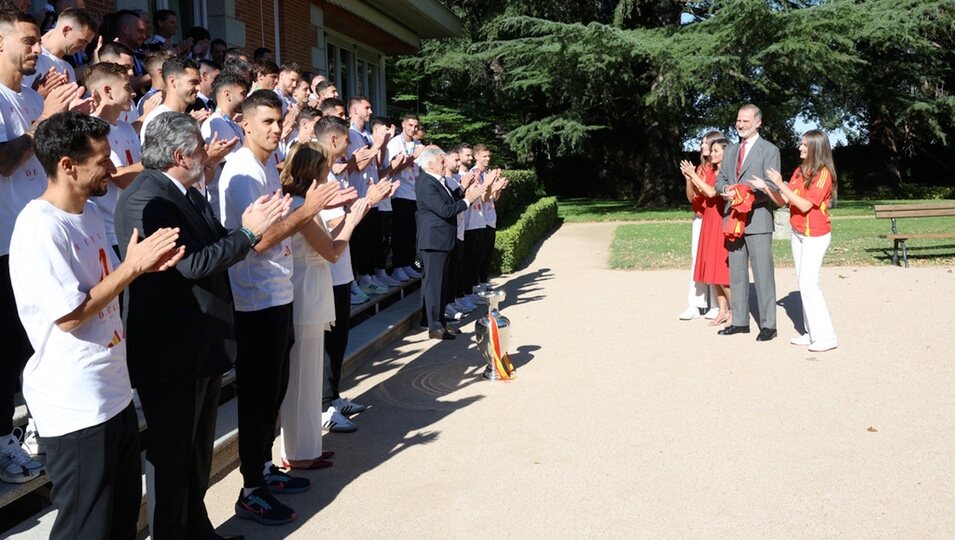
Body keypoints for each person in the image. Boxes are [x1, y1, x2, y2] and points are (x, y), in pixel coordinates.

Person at [10, 111, 184, 540]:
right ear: (68, 166)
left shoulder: (86, 213)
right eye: (102, 159)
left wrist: (141, 269)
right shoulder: (39, 227)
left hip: (112, 393)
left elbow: (102, 287)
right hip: (76, 406)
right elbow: (69, 315)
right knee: (87, 529)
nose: (112, 166)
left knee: (122, 520)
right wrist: (132, 268)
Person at [116, 111, 288, 539]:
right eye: (199, 148)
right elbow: (194, 264)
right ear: (178, 155)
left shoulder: (187, 191)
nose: (206, 154)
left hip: (199, 343)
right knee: (172, 459)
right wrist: (248, 235)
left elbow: (214, 242)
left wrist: (247, 225)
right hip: (170, 351)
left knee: (194, 455)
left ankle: (199, 530)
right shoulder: (146, 199)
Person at [218, 89, 344, 525]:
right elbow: (261, 239)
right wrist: (308, 211)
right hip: (255, 299)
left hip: (278, 292)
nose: (275, 129)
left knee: (272, 392)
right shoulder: (239, 172)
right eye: (266, 122)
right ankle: (251, 489)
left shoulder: (265, 168)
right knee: (257, 398)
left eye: (278, 121)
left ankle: (265, 469)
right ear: (244, 123)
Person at [0, 9, 82, 484]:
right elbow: (5, 163)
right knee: (8, 351)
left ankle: (38, 426)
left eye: (37, 40)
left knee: (39, 344)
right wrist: (42, 125)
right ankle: (5, 443)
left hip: (46, 237)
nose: (38, 48)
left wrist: (73, 121)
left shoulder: (34, 97)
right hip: (4, 242)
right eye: (29, 41)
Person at [278, 141, 367, 467]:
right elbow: (331, 250)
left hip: (312, 288)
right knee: (301, 375)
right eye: (326, 169)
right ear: (314, 172)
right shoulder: (300, 205)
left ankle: (307, 447)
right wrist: (353, 219)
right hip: (304, 291)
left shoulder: (302, 204)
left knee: (310, 372)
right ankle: (296, 452)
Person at [313, 116, 394, 432]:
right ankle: (323, 408)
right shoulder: (321, 176)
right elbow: (334, 226)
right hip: (327, 271)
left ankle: (333, 397)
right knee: (327, 343)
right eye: (347, 140)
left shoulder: (334, 174)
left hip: (340, 270)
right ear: (333, 141)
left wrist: (363, 203)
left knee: (338, 341)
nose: (350, 146)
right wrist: (365, 205)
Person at [750, 130, 838, 352]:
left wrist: (781, 184)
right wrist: (767, 188)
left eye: (805, 145)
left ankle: (826, 337)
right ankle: (811, 333)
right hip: (798, 233)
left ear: (816, 149)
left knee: (809, 285)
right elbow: (784, 201)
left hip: (815, 235)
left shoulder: (824, 173)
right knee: (804, 283)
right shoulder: (800, 171)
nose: (800, 148)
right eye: (801, 144)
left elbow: (806, 205)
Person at [714, 104, 781, 341]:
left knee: (763, 273)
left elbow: (772, 187)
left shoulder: (770, 150)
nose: (740, 125)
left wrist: (745, 195)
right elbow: (719, 180)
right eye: (738, 121)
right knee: (737, 273)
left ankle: (768, 325)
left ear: (758, 123)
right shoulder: (730, 150)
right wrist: (725, 190)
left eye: (746, 121)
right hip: (733, 219)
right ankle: (740, 321)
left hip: (758, 220)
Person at [416, 147, 485, 340]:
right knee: (434, 284)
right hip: (433, 241)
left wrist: (464, 190)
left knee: (443, 284)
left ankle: (441, 323)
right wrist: (468, 200)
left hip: (443, 240)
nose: (444, 164)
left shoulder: (440, 181)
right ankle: (433, 325)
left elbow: (450, 200)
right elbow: (444, 210)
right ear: (430, 164)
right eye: (441, 161)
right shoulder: (426, 182)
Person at [87, 62, 143, 255]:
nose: (133, 93)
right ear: (107, 91)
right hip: (110, 232)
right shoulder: (92, 129)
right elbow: (120, 178)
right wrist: (157, 161)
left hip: (135, 225)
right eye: (127, 87)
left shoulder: (127, 128)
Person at [680, 137, 733, 326]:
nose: (712, 154)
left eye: (716, 151)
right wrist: (690, 178)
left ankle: (735, 310)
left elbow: (712, 192)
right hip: (708, 220)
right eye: (712, 151)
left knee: (720, 269)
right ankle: (722, 310)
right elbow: (697, 196)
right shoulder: (710, 170)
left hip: (720, 221)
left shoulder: (727, 172)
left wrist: (692, 175)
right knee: (710, 267)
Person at [346, 95, 393, 296]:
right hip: (358, 196)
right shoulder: (349, 133)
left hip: (372, 196)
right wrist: (376, 145)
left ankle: (368, 275)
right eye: (367, 107)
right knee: (358, 241)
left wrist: (381, 145)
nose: (370, 112)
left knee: (371, 240)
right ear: (354, 110)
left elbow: (377, 165)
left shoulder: (365, 134)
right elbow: (357, 165)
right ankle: (357, 279)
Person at [386, 113, 424, 283]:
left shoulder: (418, 145)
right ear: (403, 124)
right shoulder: (394, 143)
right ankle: (398, 266)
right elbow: (391, 170)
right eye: (410, 125)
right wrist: (411, 159)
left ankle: (408, 263)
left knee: (411, 232)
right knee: (400, 232)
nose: (413, 129)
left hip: (414, 194)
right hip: (399, 193)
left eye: (416, 126)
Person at [21, 7, 96, 90]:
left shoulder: (68, 69)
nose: (83, 49)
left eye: (87, 43)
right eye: (82, 41)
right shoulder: (33, 57)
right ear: (66, 30)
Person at [140, 57, 211, 142]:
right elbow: (157, 153)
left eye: (199, 82)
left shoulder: (191, 119)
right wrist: (185, 126)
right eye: (193, 82)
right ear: (173, 82)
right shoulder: (156, 118)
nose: (199, 88)